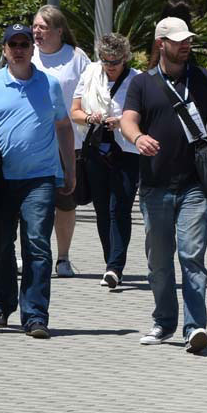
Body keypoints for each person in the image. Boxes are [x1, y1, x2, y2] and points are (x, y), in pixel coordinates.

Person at [120, 14, 207, 355]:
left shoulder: (203, 79)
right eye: (178, 41)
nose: (186, 45)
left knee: (192, 256)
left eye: (188, 39)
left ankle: (195, 327)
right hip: (155, 185)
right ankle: (164, 322)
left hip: (195, 185)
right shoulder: (142, 84)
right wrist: (139, 137)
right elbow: (127, 121)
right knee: (159, 261)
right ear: (161, 44)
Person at [0, 24, 76, 339]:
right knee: (1, 245)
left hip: (40, 179)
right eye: (13, 44)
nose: (19, 49)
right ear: (5, 50)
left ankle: (35, 315)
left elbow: (63, 126)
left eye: (24, 43)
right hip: (0, 179)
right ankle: (3, 303)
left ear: (32, 49)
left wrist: (69, 169)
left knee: (37, 244)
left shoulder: (48, 85)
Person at [70, 33, 139, 289]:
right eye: (106, 59)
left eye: (116, 60)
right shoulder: (89, 74)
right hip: (96, 148)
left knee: (119, 207)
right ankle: (110, 261)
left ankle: (115, 266)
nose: (110, 65)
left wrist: (121, 121)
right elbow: (75, 112)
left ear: (125, 58)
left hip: (127, 149)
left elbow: (145, 115)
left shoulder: (137, 80)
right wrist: (91, 118)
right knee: (101, 209)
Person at [31, 5, 91, 278]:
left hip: (69, 142)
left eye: (42, 27)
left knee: (65, 202)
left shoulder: (77, 58)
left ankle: (63, 258)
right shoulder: (25, 54)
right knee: (31, 201)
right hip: (31, 141)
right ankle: (32, 256)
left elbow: (92, 91)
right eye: (34, 26)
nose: (36, 32)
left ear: (59, 30)